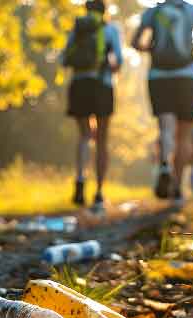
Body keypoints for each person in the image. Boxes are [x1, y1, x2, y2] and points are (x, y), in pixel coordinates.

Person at [131, 0, 193, 203]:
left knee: (166, 127)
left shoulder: (153, 12)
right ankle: (177, 185)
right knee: (184, 135)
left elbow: (135, 42)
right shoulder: (192, 11)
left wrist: (151, 49)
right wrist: (191, 46)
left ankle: (165, 163)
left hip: (158, 76)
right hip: (186, 76)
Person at [62, 0, 123, 213]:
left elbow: (64, 58)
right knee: (102, 139)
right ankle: (98, 192)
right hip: (102, 85)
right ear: (104, 11)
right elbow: (119, 62)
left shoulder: (77, 28)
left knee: (84, 136)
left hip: (79, 84)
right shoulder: (110, 30)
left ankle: (80, 181)